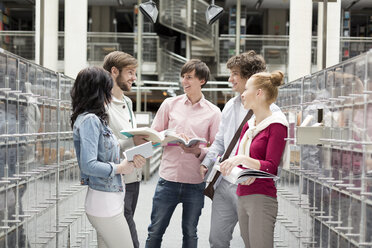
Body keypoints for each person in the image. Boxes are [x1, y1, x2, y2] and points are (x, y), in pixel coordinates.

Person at [199, 51, 281, 248]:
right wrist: (206, 163)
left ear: (250, 77)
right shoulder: (230, 106)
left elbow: (274, 161)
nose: (230, 79)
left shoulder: (272, 114)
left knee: (252, 241)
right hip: (224, 185)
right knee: (217, 240)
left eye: (235, 73)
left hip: (250, 186)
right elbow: (220, 141)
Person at [145, 59, 221, 248]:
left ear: (202, 80)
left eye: (189, 77)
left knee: (190, 233)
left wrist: (198, 151)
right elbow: (154, 136)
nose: (184, 81)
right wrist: (169, 136)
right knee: (155, 231)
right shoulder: (170, 104)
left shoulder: (213, 112)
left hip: (195, 183)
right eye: (183, 77)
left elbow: (216, 150)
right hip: (167, 179)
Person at [70, 66, 146, 248]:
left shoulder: (95, 118)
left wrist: (128, 160)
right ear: (98, 90)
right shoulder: (90, 120)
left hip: (110, 199)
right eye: (107, 87)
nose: (110, 92)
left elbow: (106, 154)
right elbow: (88, 165)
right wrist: (120, 168)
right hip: (104, 203)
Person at [220, 71, 288, 248]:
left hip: (261, 197)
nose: (242, 93)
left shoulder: (277, 125)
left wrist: (242, 159)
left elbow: (271, 167)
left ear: (259, 93)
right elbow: (243, 162)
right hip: (242, 194)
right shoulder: (250, 126)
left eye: (247, 89)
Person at [103, 51, 148, 248]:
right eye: (130, 72)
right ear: (114, 71)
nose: (134, 78)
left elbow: (127, 137)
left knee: (120, 231)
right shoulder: (101, 105)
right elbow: (103, 147)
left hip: (133, 177)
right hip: (115, 179)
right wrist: (133, 141)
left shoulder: (128, 103)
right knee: (126, 236)